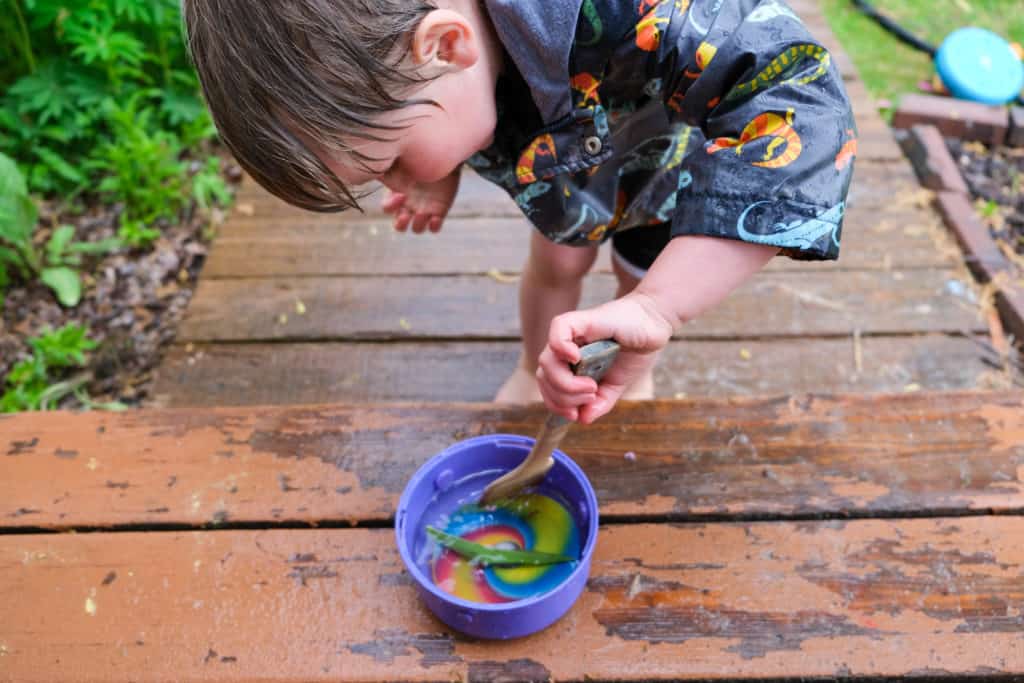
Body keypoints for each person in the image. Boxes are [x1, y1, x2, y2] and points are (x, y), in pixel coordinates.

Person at [183, 0, 856, 423]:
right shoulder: (437, 54)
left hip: (662, 163)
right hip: (560, 168)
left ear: (445, 46)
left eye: (390, 161)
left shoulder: (645, 13)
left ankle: (636, 364)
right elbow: (439, 104)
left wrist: (659, 306)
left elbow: (801, 98)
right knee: (558, 259)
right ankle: (535, 364)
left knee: (637, 273)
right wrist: (434, 169)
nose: (395, 181)